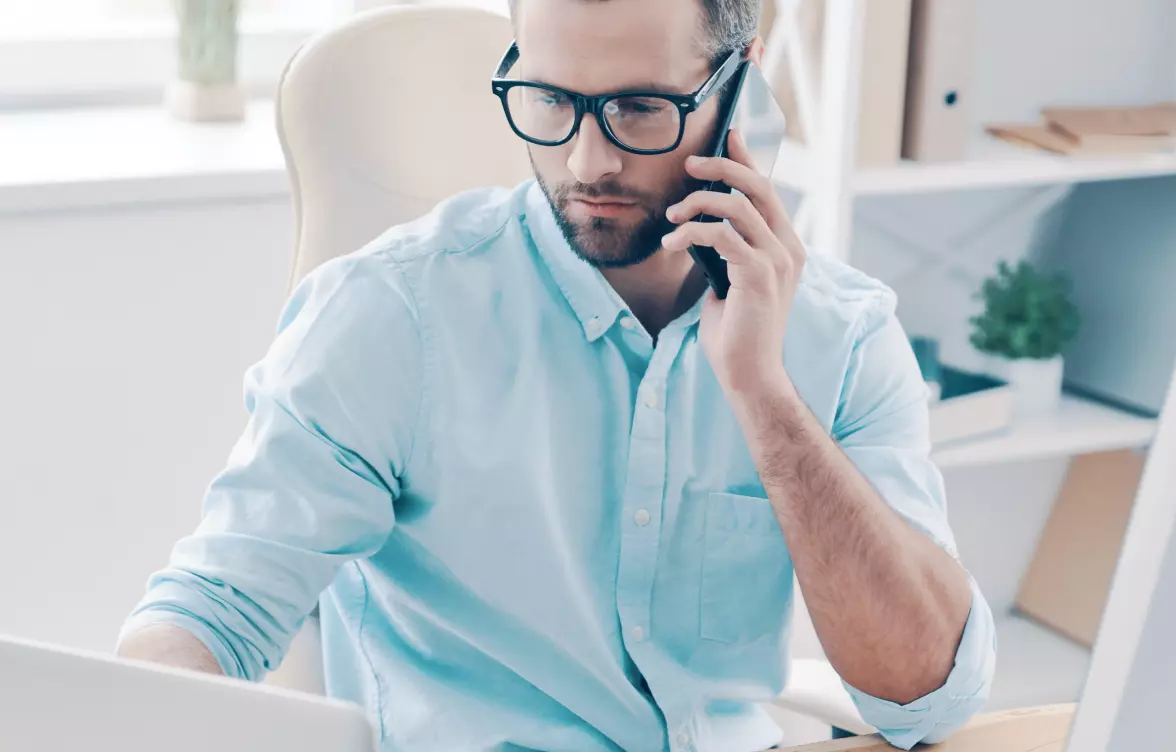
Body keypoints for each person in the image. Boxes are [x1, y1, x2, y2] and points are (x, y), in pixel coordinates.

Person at [117, 0, 995, 748]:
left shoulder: (843, 333)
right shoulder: (389, 316)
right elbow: (215, 611)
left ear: (743, 87)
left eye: (639, 109)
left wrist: (763, 395)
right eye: (547, 98)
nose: (586, 163)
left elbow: (926, 695)